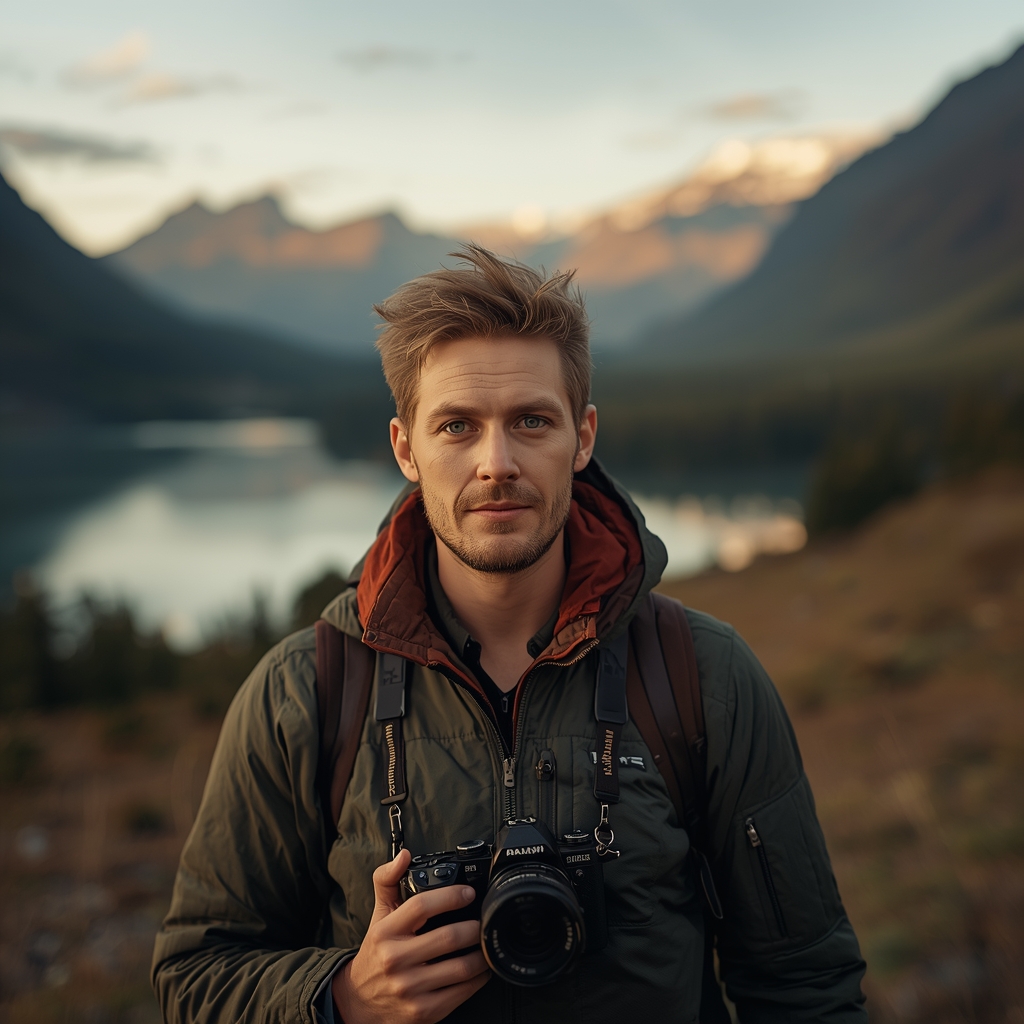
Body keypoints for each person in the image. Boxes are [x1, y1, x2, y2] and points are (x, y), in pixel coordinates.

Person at [152, 246, 867, 1023]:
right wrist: (345, 997)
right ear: (406, 450)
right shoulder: (306, 693)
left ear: (583, 436)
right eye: (457, 426)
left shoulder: (702, 675)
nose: (497, 464)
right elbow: (195, 976)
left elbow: (806, 987)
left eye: (532, 421)